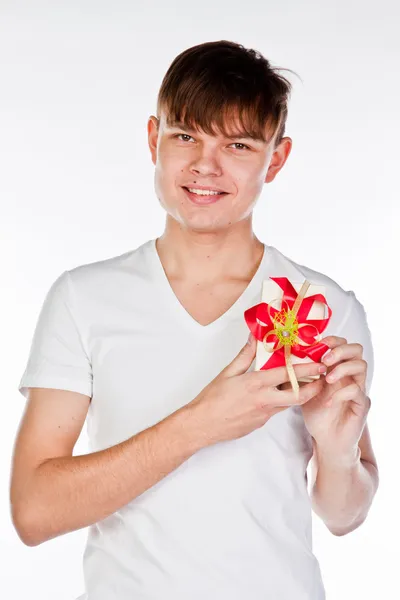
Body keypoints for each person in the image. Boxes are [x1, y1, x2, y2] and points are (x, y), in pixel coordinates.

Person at [10, 40, 379, 600]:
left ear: (275, 159)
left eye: (238, 144)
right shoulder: (83, 298)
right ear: (153, 138)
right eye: (186, 136)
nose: (206, 166)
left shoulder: (323, 306)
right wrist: (203, 421)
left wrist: (335, 450)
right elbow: (33, 513)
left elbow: (344, 516)